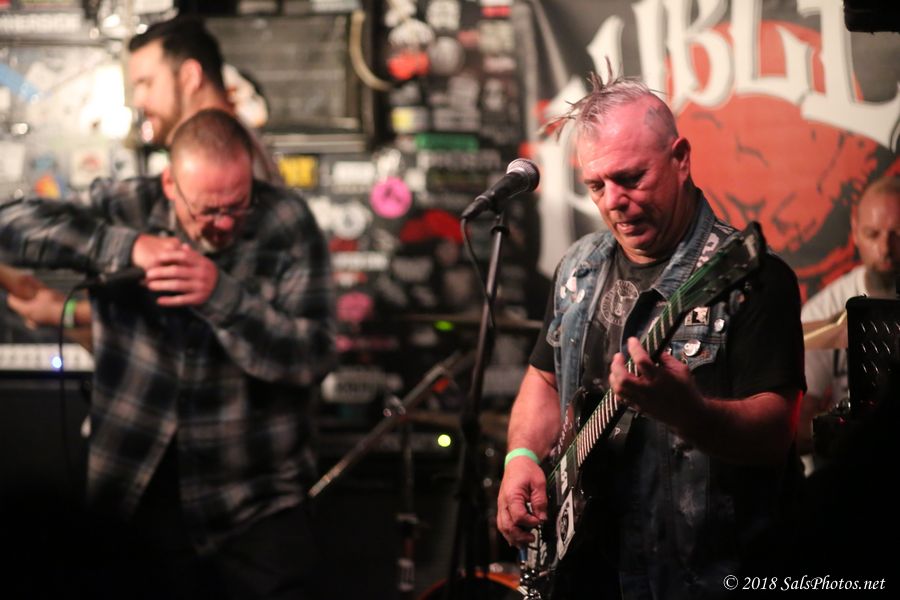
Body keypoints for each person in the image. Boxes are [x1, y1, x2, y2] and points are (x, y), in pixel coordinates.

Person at [0, 109, 335, 598]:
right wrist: (126, 246)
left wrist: (223, 298)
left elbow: (313, 358)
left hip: (254, 498)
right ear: (170, 185)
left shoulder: (286, 221)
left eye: (237, 206)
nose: (223, 224)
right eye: (207, 210)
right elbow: (10, 225)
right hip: (136, 487)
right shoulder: (129, 205)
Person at [495, 74, 805, 599]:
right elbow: (544, 380)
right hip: (588, 574)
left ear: (680, 159)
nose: (614, 201)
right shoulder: (578, 268)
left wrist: (690, 412)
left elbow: (776, 434)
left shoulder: (752, 277)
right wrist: (521, 456)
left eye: (631, 178)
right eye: (597, 185)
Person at [799, 174, 900, 467]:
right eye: (873, 234)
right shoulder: (823, 311)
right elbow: (798, 421)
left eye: (898, 234)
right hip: (849, 471)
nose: (885, 249)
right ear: (855, 231)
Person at [128, 14, 283, 184]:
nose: (138, 101)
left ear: (190, 77)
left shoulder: (226, 159)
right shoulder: (234, 145)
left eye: (147, 83)